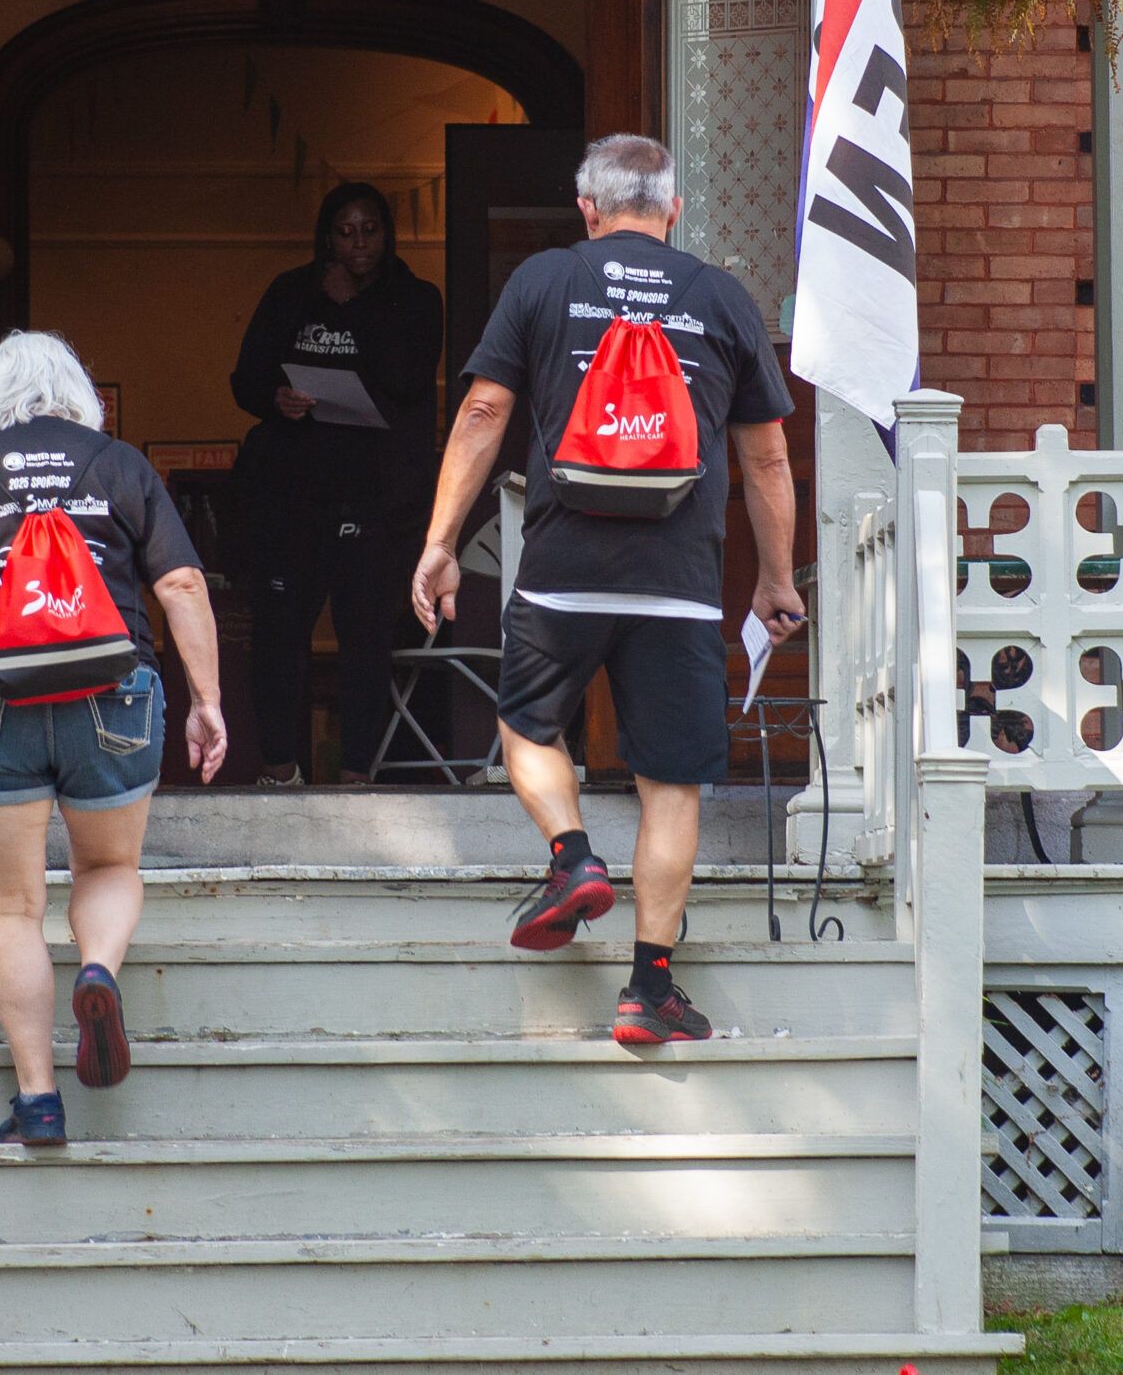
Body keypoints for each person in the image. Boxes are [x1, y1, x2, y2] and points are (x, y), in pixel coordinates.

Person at [412, 134, 805, 1044]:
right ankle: (648, 987)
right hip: (679, 582)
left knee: (526, 724)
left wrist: (438, 542)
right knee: (672, 783)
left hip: (562, 570)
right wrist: (774, 581)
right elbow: (770, 455)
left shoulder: (545, 281)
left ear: (586, 210)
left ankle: (571, 853)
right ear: (673, 211)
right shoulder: (720, 296)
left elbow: (481, 412)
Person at [0, 332, 228, 1145]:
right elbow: (180, 582)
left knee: (11, 905)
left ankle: (39, 1099)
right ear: (79, 393)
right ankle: (100, 968)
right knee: (108, 864)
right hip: (110, 695)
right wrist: (205, 699)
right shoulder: (117, 463)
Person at [230, 182, 444, 784]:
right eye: (345, 231)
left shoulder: (416, 298)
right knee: (278, 636)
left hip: (375, 500)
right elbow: (244, 379)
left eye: (369, 230)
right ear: (326, 236)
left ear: (387, 233)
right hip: (291, 495)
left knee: (365, 641)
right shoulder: (290, 292)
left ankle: (357, 776)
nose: (358, 244)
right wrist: (277, 399)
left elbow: (406, 375)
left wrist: (353, 307)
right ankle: (278, 769)